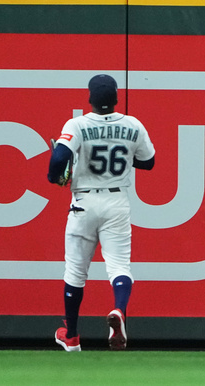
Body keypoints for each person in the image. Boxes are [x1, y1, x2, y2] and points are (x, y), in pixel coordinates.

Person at [48, 74, 156, 352]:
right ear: (117, 98)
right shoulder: (133, 124)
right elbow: (149, 163)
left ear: (90, 99)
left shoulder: (78, 124)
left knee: (75, 272)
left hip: (84, 201)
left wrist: (55, 177)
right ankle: (119, 309)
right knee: (119, 267)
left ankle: (71, 335)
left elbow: (59, 158)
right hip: (116, 201)